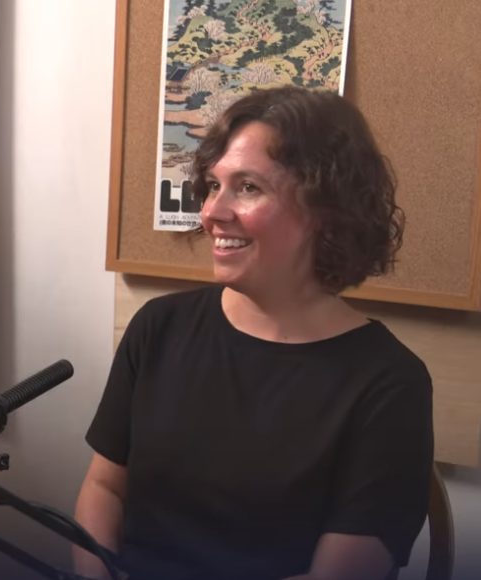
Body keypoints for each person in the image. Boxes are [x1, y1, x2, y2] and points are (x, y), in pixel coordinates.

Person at [74, 86, 434, 580]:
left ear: (327, 209)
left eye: (247, 187)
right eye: (213, 185)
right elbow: (105, 488)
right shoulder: (158, 327)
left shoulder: (389, 384)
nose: (211, 212)